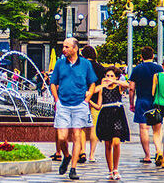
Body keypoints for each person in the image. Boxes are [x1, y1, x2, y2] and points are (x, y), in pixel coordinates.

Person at [50, 38, 96, 181]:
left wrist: (87, 99)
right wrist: (56, 100)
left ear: (75, 49)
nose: (64, 49)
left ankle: (73, 168)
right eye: (63, 46)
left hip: (79, 105)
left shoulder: (86, 64)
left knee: (77, 136)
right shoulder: (59, 64)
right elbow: (53, 83)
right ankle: (67, 156)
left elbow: (92, 83)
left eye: (67, 47)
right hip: (63, 104)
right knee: (62, 137)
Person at [90, 66, 130, 180]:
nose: (109, 78)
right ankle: (110, 170)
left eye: (111, 75)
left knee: (116, 142)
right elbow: (98, 105)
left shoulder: (118, 87)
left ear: (116, 77)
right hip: (105, 115)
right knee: (107, 144)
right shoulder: (103, 88)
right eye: (107, 76)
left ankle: (116, 168)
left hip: (117, 115)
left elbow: (127, 85)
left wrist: (114, 81)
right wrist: (89, 101)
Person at [128, 46, 162, 165]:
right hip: (156, 102)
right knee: (157, 130)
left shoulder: (137, 69)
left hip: (142, 101)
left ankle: (147, 155)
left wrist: (131, 103)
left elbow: (131, 88)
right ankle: (158, 151)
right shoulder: (159, 68)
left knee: (144, 129)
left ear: (141, 56)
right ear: (153, 56)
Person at [80, 45, 106, 164]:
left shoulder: (81, 66)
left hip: (82, 99)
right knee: (93, 128)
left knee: (81, 127)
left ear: (84, 55)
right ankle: (92, 155)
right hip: (96, 100)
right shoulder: (101, 68)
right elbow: (102, 85)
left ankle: (82, 151)